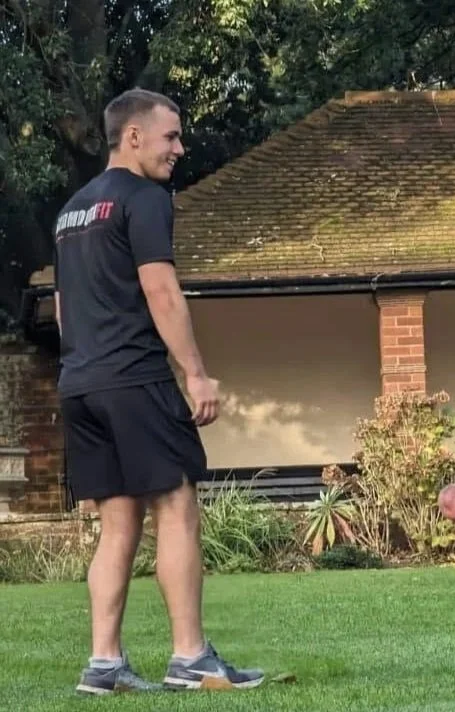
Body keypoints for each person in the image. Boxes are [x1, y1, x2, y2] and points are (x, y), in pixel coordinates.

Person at [54, 88, 262, 695]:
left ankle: (104, 664)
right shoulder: (144, 197)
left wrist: (85, 364)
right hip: (135, 379)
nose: (180, 148)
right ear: (134, 136)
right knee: (175, 507)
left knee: (118, 525)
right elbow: (162, 291)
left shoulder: (72, 211)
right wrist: (195, 372)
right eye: (171, 137)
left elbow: (65, 308)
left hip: (81, 383)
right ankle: (191, 657)